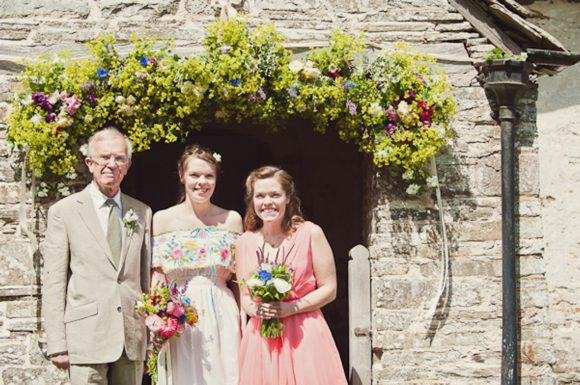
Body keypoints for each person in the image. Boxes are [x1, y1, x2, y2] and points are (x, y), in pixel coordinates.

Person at [42, 127, 152, 385]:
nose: (111, 164)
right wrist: (57, 342)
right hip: (86, 337)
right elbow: (54, 280)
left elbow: (144, 279)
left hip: (131, 337)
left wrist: (147, 337)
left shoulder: (143, 212)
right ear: (90, 163)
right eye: (104, 157)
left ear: (127, 166)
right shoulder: (65, 211)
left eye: (119, 158)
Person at [237, 165, 347, 385]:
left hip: (304, 331)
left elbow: (329, 289)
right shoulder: (244, 242)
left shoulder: (311, 233)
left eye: (275, 195)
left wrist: (291, 307)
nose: (267, 202)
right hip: (262, 336)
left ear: (287, 198)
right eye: (260, 196)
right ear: (252, 200)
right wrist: (256, 308)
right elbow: (245, 297)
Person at [150, 145, 244, 384]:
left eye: (209, 176)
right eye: (194, 175)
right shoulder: (162, 219)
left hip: (223, 310)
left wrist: (244, 320)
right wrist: (158, 320)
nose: (202, 182)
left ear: (216, 178)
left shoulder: (231, 219)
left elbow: (238, 280)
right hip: (180, 314)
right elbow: (159, 278)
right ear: (182, 176)